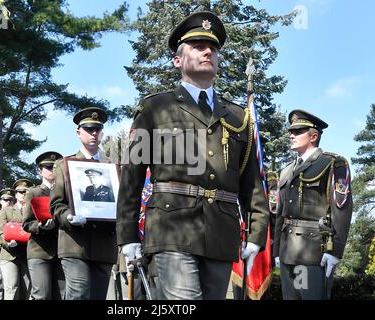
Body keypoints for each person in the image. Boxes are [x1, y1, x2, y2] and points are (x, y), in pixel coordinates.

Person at [116, 11, 269, 300]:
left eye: (212, 48)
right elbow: (131, 176)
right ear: (178, 60)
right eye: (198, 46)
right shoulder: (154, 108)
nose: (208, 51)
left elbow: (252, 183)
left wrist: (257, 233)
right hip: (171, 228)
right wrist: (126, 235)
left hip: (221, 233)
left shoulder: (237, 116)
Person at [273, 109, 353, 300]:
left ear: (313, 136)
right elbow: (280, 215)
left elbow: (341, 209)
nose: (291, 135)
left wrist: (335, 251)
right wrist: (276, 251)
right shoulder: (286, 172)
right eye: (291, 131)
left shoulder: (332, 164)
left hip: (312, 253)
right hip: (287, 252)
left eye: (298, 131)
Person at [50, 107, 117, 300]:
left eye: (97, 129)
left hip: (104, 244)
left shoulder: (113, 168)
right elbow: (56, 205)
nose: (94, 133)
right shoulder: (64, 165)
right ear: (78, 132)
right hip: (74, 244)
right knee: (78, 293)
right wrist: (68, 217)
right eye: (89, 129)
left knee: (97, 297)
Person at [22, 151, 65, 300]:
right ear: (40, 171)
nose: (52, 170)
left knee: (61, 295)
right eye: (48, 167)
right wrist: (40, 227)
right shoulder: (33, 192)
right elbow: (27, 223)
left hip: (63, 250)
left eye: (54, 167)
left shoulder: (66, 192)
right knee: (42, 295)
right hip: (40, 250)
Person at [0, 179, 34, 300]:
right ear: (16, 194)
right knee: (12, 288)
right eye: (21, 191)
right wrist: (7, 243)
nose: (23, 194)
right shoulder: (6, 211)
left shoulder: (33, 210)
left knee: (28, 289)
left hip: (28, 254)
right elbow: (0, 232)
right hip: (9, 255)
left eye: (26, 191)